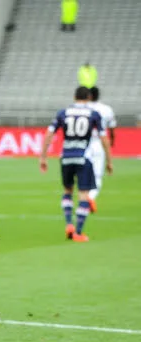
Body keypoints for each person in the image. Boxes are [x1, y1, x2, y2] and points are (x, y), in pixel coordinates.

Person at [39, 87, 111, 242]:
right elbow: (104, 138)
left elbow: (49, 134)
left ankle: (68, 224)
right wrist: (109, 161)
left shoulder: (63, 113)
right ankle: (78, 232)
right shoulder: (94, 114)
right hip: (83, 157)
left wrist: (43, 157)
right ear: (89, 97)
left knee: (67, 190)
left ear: (74, 96)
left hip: (66, 157)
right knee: (84, 194)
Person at [86, 86, 116, 211]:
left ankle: (85, 197)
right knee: (97, 176)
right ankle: (91, 197)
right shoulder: (106, 109)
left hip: (84, 143)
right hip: (99, 143)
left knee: (84, 174)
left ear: (89, 96)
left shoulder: (83, 108)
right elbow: (112, 128)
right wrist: (112, 142)